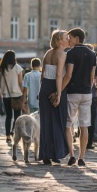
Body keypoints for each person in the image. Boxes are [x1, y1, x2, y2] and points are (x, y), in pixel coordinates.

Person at [60, 28, 96, 166]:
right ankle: (82, 157)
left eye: (70, 37)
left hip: (73, 92)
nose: (68, 40)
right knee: (84, 125)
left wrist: (59, 91)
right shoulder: (92, 54)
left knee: (68, 124)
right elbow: (92, 77)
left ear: (76, 38)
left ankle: (71, 155)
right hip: (87, 92)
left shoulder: (71, 53)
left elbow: (68, 75)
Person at [39, 30, 69, 164]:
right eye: (65, 38)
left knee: (45, 122)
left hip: (45, 85)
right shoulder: (62, 54)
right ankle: (56, 153)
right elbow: (58, 75)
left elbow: (43, 73)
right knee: (57, 121)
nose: (68, 40)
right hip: (54, 85)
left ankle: (45, 154)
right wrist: (59, 93)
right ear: (59, 40)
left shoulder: (47, 53)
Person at [0, 50, 23, 144]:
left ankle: (7, 136)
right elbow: (20, 82)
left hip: (6, 95)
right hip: (17, 95)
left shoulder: (2, 69)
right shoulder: (17, 68)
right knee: (17, 116)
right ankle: (14, 131)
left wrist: (0, 93)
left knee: (8, 116)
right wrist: (23, 92)